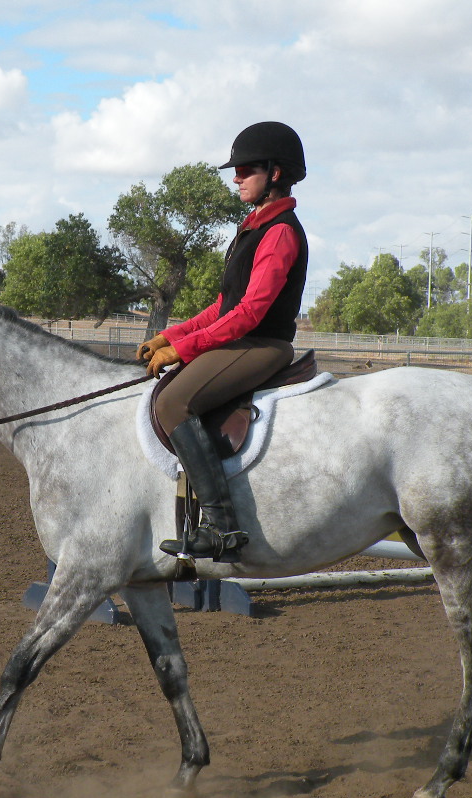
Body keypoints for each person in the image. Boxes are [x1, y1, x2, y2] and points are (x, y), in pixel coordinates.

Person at [136, 120, 309, 563]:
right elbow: (221, 307)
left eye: (246, 169)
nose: (236, 177)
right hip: (242, 339)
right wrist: (168, 336)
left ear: (274, 173)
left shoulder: (280, 232)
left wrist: (185, 350)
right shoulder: (251, 230)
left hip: (263, 344)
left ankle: (220, 526)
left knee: (173, 403)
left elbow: (250, 312)